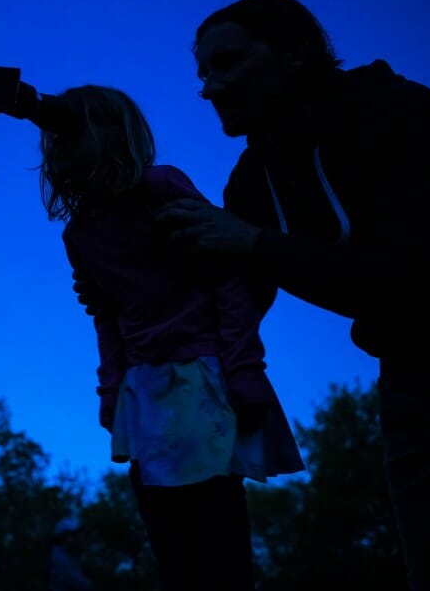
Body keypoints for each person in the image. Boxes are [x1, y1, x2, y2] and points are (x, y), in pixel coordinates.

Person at [152, 0, 430, 591]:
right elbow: (232, 297)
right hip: (411, 380)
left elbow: (422, 275)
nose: (209, 86)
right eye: (203, 72)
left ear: (296, 53)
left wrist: (254, 245)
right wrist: (132, 288)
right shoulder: (252, 177)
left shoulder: (400, 113)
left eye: (228, 62)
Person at [37, 84, 304, 590]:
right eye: (53, 137)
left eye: (73, 131)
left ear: (114, 133)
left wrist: (244, 368)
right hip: (143, 389)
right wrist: (111, 389)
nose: (59, 145)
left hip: (202, 376)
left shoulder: (161, 188)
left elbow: (225, 277)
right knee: (165, 529)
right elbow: (107, 317)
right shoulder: (78, 236)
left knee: (214, 528)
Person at [48, 516, 91, 591]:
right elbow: (83, 585)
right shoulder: (60, 559)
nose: (78, 537)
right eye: (73, 534)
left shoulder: (66, 554)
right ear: (63, 537)